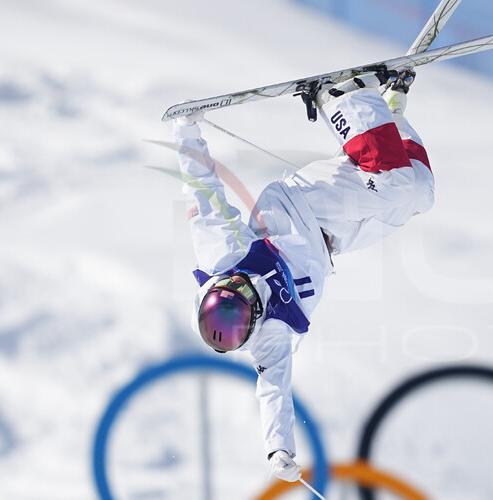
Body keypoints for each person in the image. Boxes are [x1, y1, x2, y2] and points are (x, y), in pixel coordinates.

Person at [171, 70, 432, 482]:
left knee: (394, 186)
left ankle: (343, 98)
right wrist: (279, 451)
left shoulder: (220, 256)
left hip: (305, 204)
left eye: (229, 286)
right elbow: (273, 392)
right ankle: (388, 106)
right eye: (241, 295)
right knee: (419, 191)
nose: (236, 282)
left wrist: (187, 131)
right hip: (336, 238)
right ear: (253, 320)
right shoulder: (269, 336)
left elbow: (203, 193)